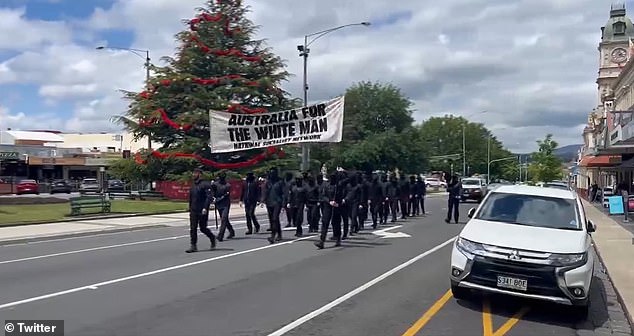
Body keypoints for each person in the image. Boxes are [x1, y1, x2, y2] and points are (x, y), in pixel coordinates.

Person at [186, 167, 216, 253]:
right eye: (193, 173)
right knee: (193, 228)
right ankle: (193, 245)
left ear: (200, 174)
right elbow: (191, 198)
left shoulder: (205, 184)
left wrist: (205, 208)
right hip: (194, 209)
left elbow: (209, 197)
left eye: (195, 173)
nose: (193, 175)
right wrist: (190, 208)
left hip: (202, 209)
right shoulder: (193, 185)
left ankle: (212, 237)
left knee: (203, 228)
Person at [315, 172, 343, 249]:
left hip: (336, 206)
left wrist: (338, 203)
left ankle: (338, 238)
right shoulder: (326, 186)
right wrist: (329, 201)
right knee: (325, 222)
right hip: (327, 206)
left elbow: (342, 196)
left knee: (336, 223)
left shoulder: (339, 186)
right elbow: (323, 196)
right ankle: (322, 241)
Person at [262, 168, 286, 244]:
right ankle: (279, 234)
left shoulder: (280, 181)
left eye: (273, 173)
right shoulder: (268, 182)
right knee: (272, 220)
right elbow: (265, 192)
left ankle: (273, 236)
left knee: (275, 218)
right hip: (269, 202)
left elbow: (284, 193)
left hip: (277, 202)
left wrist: (284, 204)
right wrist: (262, 200)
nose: (272, 175)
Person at [213, 172, 235, 241]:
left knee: (224, 219)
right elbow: (212, 193)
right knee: (225, 220)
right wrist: (213, 198)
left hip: (225, 203)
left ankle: (220, 235)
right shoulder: (215, 184)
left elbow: (226, 195)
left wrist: (218, 198)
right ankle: (231, 231)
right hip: (219, 204)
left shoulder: (227, 185)